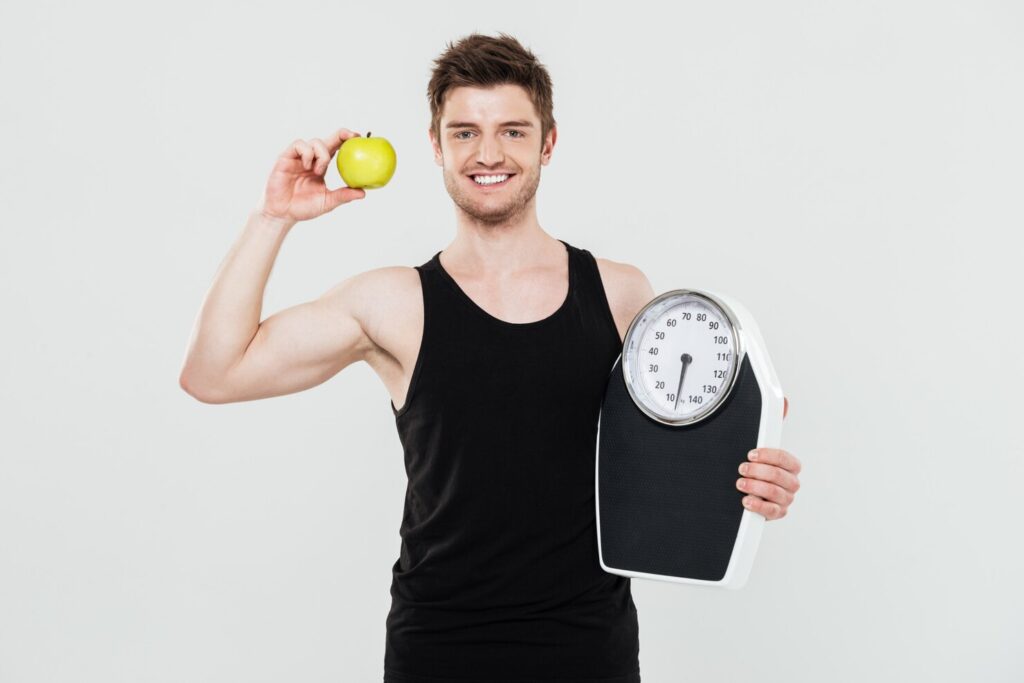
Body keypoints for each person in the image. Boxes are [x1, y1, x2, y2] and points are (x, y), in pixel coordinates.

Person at [179, 32, 802, 683]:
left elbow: (664, 455)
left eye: (512, 130)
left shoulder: (620, 293)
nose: (488, 153)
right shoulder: (393, 303)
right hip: (438, 649)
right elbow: (213, 373)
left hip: (588, 647)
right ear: (436, 146)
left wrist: (750, 478)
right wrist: (271, 217)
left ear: (548, 143)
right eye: (465, 132)